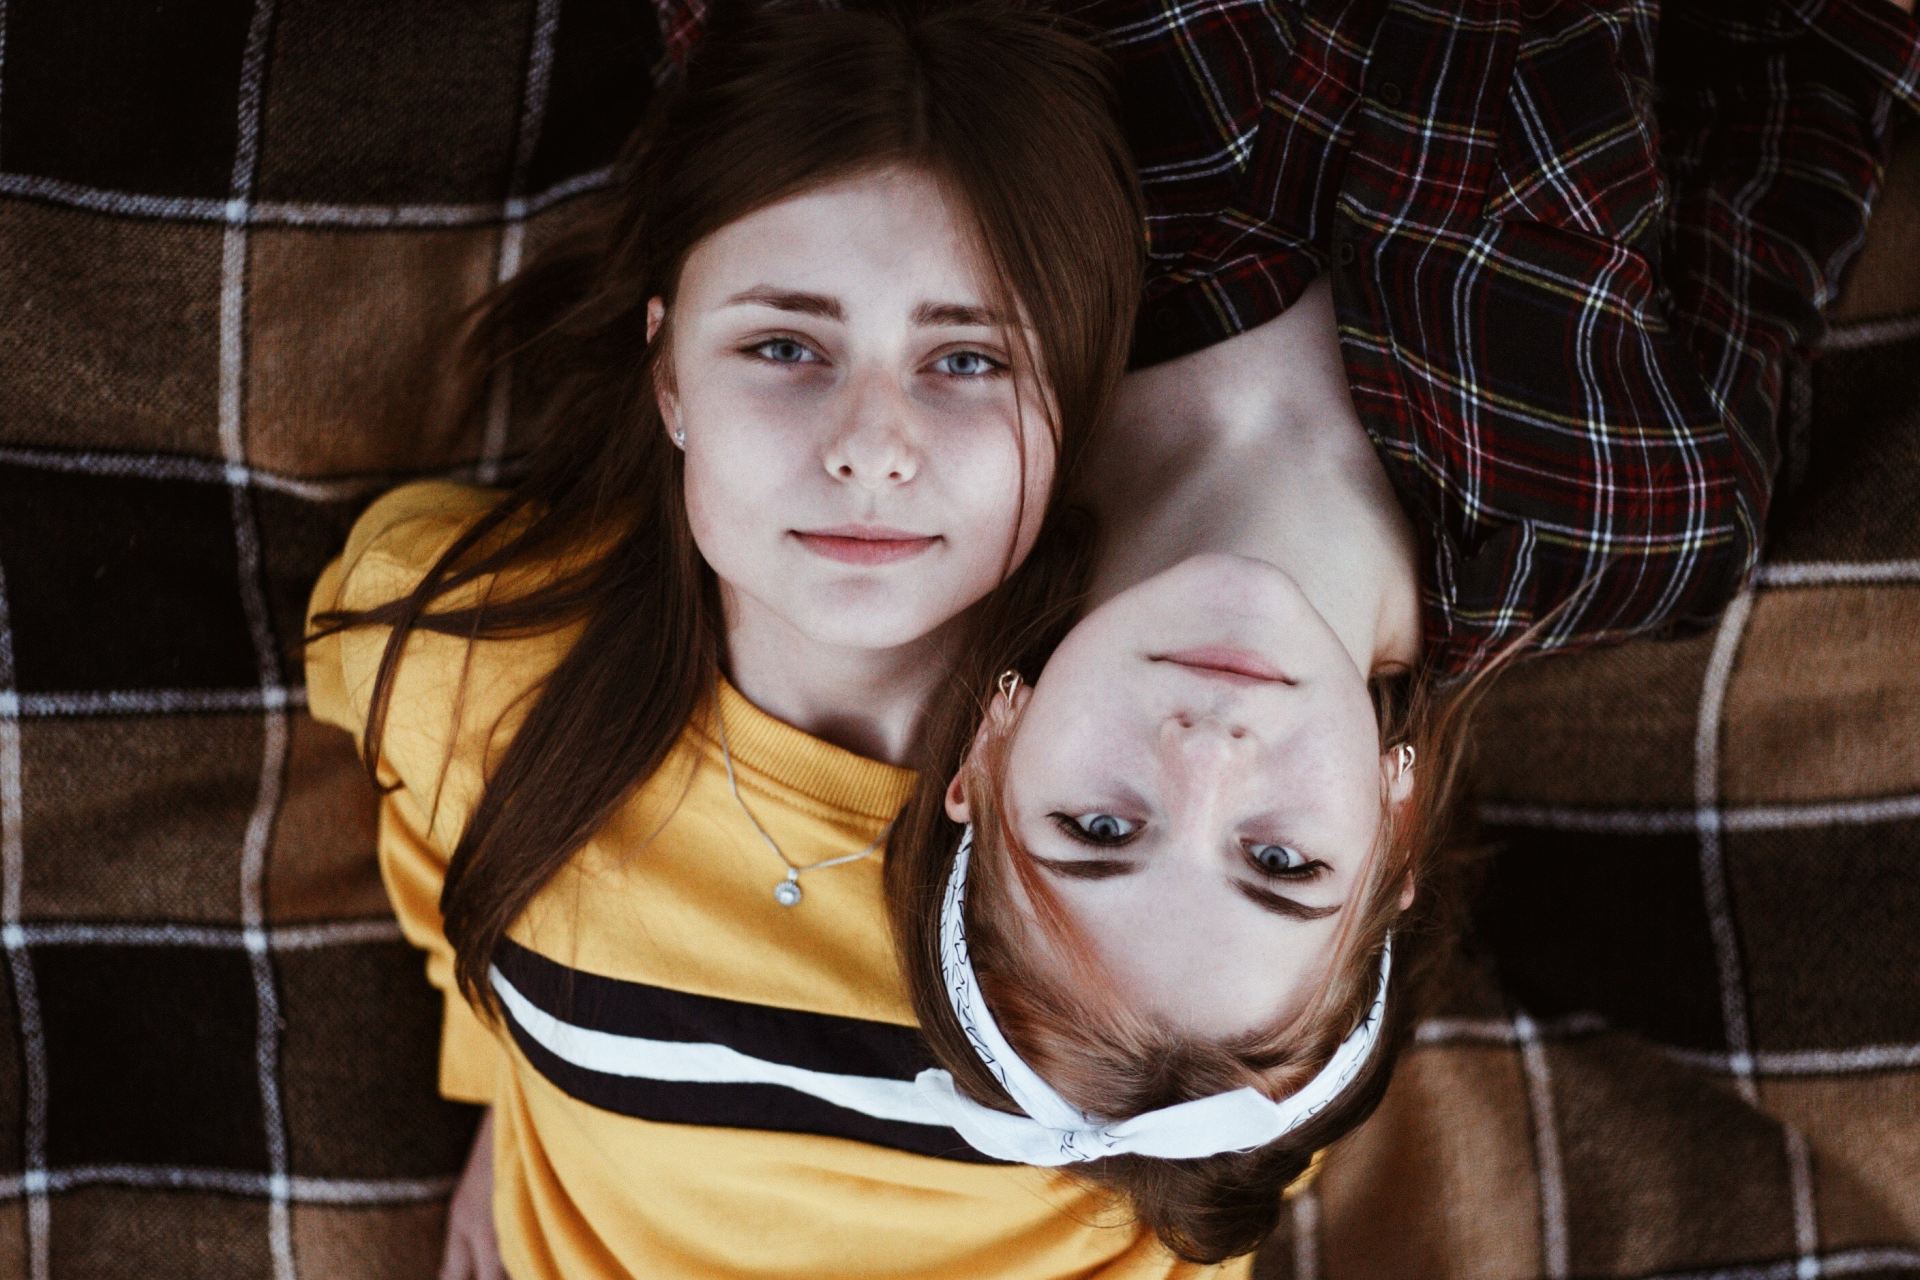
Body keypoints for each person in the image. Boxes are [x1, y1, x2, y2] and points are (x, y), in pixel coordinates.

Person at [874, 0, 1920, 1263]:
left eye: (1102, 829)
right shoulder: (1635, 531)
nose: (1209, 754)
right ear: (1397, 824)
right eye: (1280, 861)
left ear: (991, 747)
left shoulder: (955, 326)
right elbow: (1796, 97)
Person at [301, 3, 1196, 1276]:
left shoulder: (1191, 769)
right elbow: (453, 911)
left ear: (1075, 395)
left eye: (965, 359)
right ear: (669, 374)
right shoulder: (465, 658)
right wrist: (517, 1104)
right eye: (785, 345)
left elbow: (1258, 1140)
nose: (871, 446)